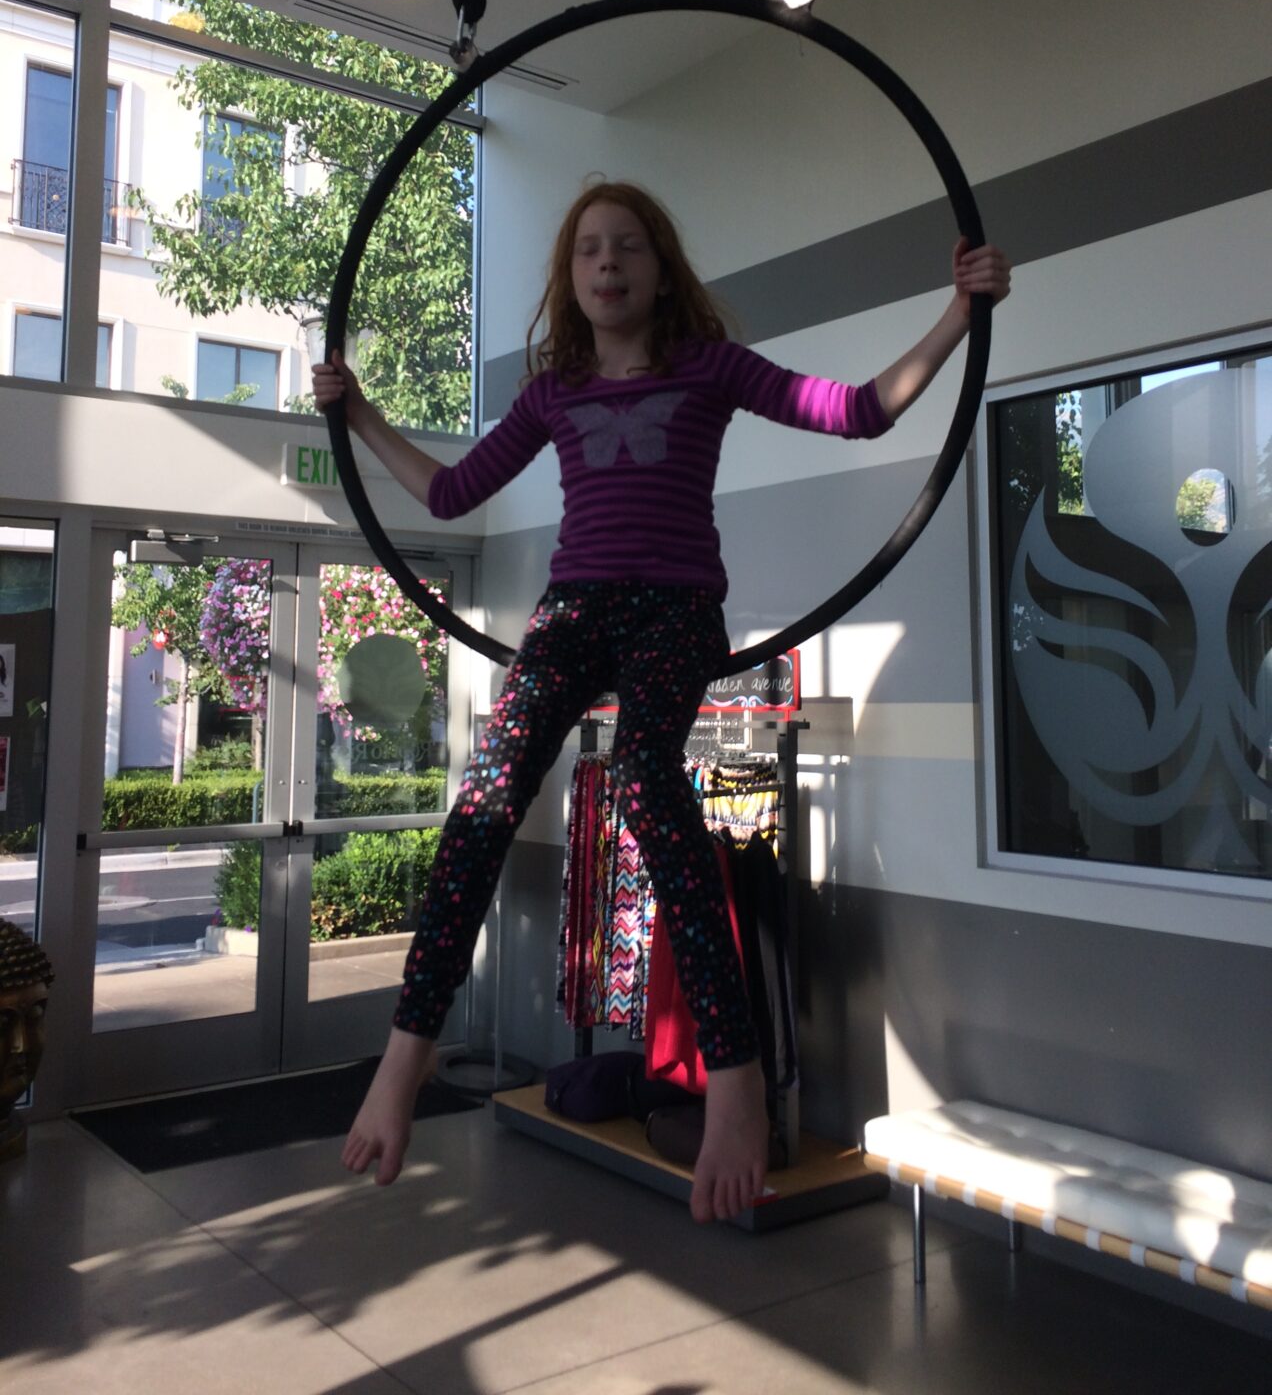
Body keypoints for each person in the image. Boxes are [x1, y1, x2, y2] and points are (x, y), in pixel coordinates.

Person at [314, 180, 1010, 1223]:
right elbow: (452, 493)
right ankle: (406, 1054)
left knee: (646, 779)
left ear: (661, 267)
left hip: (677, 610)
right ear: (570, 276)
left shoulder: (709, 366)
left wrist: (961, 309)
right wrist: (357, 410)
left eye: (629, 246)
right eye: (589, 249)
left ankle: (734, 1073)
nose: (608, 264)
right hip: (574, 610)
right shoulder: (553, 391)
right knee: (487, 798)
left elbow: (861, 410)